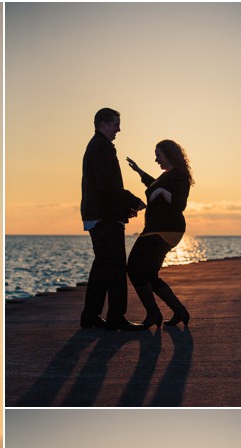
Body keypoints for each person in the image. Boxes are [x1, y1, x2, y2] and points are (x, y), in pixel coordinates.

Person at [80, 107, 146, 331]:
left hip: (101, 214)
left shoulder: (98, 146)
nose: (119, 128)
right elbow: (107, 185)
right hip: (104, 217)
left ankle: (91, 316)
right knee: (115, 266)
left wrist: (122, 208)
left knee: (102, 266)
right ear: (104, 123)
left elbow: (104, 188)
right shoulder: (101, 147)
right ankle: (116, 316)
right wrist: (133, 201)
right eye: (116, 123)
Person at [125, 140, 194, 327]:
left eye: (158, 155)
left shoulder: (179, 175)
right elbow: (154, 184)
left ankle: (154, 313)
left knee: (134, 267)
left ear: (169, 154)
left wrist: (163, 192)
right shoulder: (168, 175)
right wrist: (139, 171)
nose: (156, 159)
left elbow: (180, 204)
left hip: (164, 229)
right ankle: (179, 311)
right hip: (158, 229)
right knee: (149, 274)